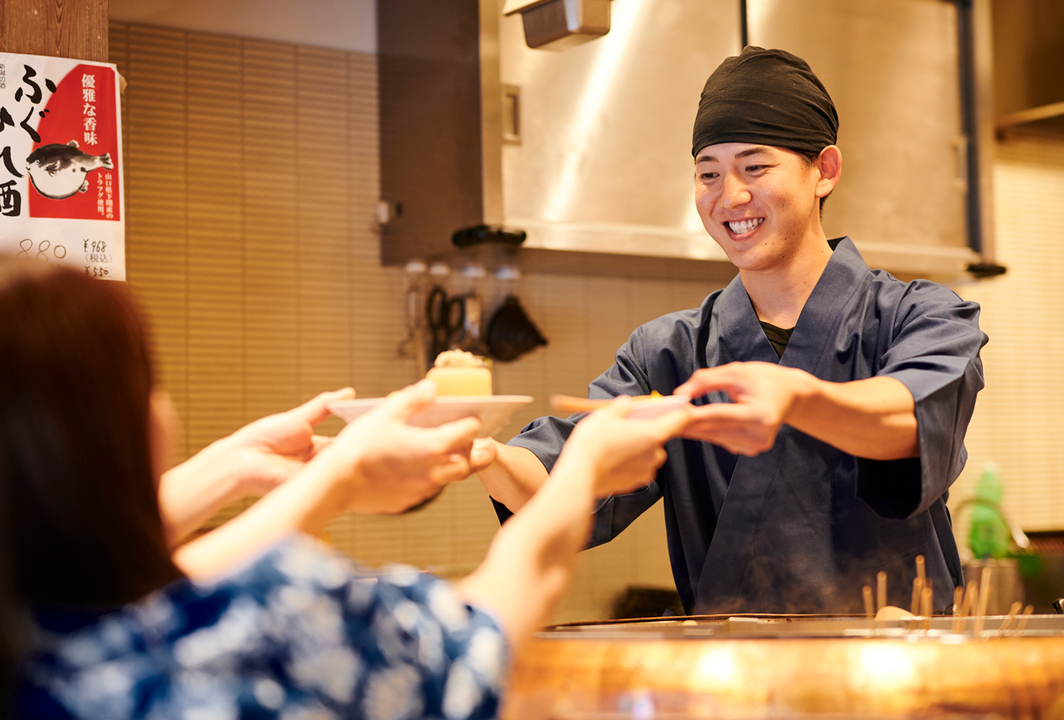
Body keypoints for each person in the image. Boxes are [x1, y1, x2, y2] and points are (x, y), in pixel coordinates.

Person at [0, 260, 688, 719]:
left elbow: (155, 577)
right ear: (119, 430)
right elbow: (486, 630)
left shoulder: (45, 646)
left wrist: (252, 468)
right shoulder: (269, 613)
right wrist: (584, 467)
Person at [473, 47, 988, 615]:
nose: (731, 196)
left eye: (756, 167)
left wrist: (795, 397)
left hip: (901, 683)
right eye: (709, 174)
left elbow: (910, 420)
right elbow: (566, 480)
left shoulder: (921, 317)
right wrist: (482, 453)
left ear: (825, 171)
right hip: (736, 685)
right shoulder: (667, 355)